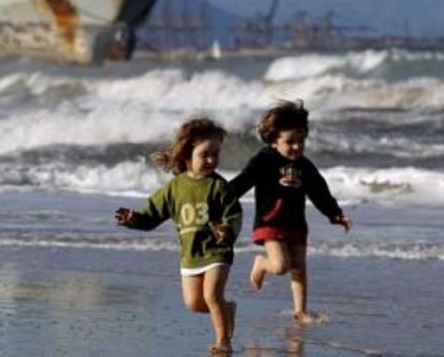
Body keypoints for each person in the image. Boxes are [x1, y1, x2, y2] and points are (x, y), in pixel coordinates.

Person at [115, 118, 242, 354]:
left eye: (216, 154)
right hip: (190, 255)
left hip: (217, 250)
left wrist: (227, 230)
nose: (212, 160)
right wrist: (134, 219)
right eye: (205, 154)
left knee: (212, 294)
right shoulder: (174, 188)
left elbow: (233, 214)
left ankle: (223, 342)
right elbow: (151, 215)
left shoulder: (219, 187)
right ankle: (226, 310)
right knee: (195, 303)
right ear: (187, 154)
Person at [228, 100, 352, 323]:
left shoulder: (305, 166)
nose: (297, 146)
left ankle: (301, 311)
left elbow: (319, 191)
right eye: (290, 142)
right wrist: (221, 198)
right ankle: (261, 263)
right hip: (270, 221)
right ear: (274, 141)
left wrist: (335, 214)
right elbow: (243, 181)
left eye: (301, 140)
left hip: (296, 223)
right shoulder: (264, 160)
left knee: (299, 267)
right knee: (280, 265)